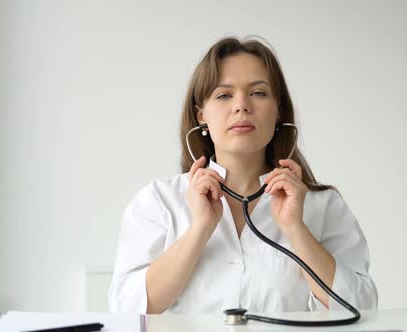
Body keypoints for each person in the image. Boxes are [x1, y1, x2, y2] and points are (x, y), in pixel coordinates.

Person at [108, 36, 378, 315]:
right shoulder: (159, 201)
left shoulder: (322, 205)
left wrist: (295, 229)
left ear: (278, 112)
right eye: (224, 95)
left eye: (259, 93)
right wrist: (200, 228)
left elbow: (362, 309)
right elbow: (127, 309)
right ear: (201, 115)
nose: (241, 106)